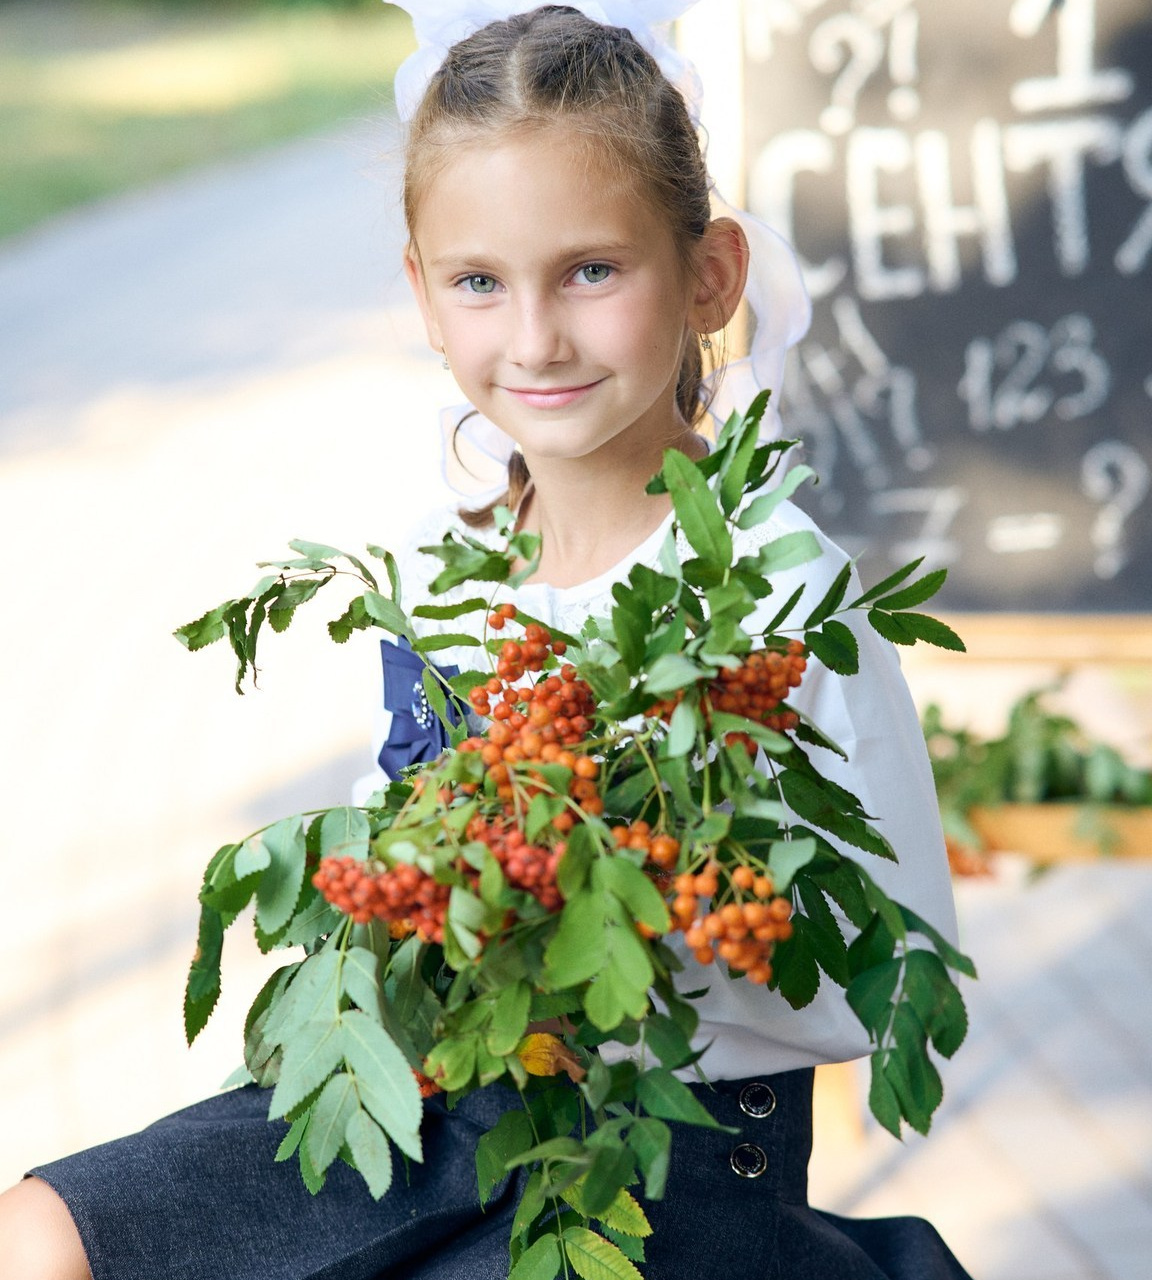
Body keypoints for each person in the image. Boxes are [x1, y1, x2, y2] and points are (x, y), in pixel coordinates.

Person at [0, 6, 973, 1277]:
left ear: (710, 273)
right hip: (436, 1099)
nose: (533, 338)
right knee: (41, 1231)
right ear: (422, 290)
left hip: (657, 1150)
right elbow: (403, 840)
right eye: (479, 281)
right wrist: (417, 919)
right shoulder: (435, 566)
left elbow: (885, 978)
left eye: (589, 270)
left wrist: (619, 915)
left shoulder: (777, 587)